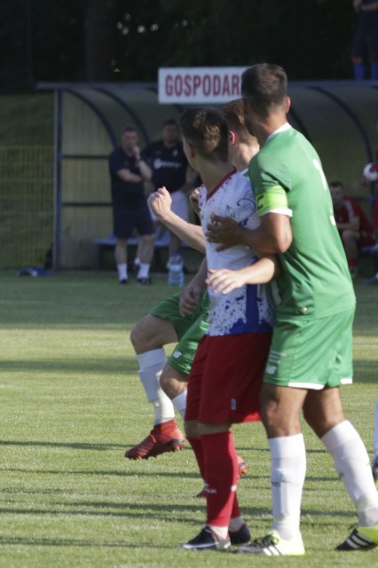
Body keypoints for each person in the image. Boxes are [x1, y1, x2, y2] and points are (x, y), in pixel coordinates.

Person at [207, 63, 378, 554]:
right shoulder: (301, 143)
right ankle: (371, 518)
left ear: (244, 108)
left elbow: (277, 238)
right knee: (324, 412)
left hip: (307, 300)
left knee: (277, 410)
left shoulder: (268, 162)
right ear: (287, 103)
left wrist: (237, 234)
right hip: (336, 290)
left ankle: (286, 535)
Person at [173, 107, 277, 552]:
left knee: (213, 424)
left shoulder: (242, 192)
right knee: (195, 423)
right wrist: (199, 282)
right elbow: (220, 250)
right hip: (218, 324)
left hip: (245, 325)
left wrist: (241, 277)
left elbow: (273, 255)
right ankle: (233, 524)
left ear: (190, 150)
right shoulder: (212, 194)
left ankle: (215, 529)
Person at [142, 119, 193, 272]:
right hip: (157, 194)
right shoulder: (153, 148)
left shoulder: (182, 149)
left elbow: (196, 167)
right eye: (168, 130)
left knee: (176, 229)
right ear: (163, 132)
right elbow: (139, 162)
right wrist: (147, 180)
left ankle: (173, 263)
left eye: (173, 130)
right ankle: (143, 264)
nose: (170, 133)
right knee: (150, 228)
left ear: (177, 133)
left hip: (177, 194)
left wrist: (187, 185)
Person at [108, 126, 154, 284]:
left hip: (140, 202)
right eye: (127, 138)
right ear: (122, 139)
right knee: (122, 240)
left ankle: (143, 274)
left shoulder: (140, 156)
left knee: (149, 237)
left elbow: (149, 175)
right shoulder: (115, 156)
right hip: (122, 203)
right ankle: (123, 276)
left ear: (138, 139)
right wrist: (141, 179)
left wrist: (138, 159)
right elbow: (125, 176)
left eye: (133, 138)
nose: (130, 141)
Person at [329, 180, 375, 277]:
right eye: (332, 193)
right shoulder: (328, 206)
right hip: (346, 237)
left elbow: (355, 226)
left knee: (347, 234)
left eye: (337, 193)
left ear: (342, 194)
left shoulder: (349, 203)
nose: (334, 196)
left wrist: (334, 225)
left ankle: (353, 269)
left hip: (366, 235)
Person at [352, 0, 378, 80]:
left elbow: (374, 7)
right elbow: (355, 6)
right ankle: (359, 84)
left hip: (374, 28)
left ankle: (375, 83)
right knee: (356, 56)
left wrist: (362, 7)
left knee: (375, 57)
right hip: (362, 27)